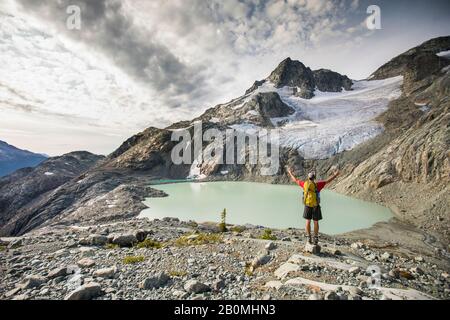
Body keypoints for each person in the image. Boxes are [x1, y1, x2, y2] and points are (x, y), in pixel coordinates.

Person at [287, 167, 340, 245]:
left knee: (308, 221)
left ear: (308, 178)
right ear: (314, 178)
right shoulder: (318, 185)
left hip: (307, 205)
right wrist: (336, 175)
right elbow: (328, 181)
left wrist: (290, 172)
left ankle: (308, 237)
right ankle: (315, 238)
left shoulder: (304, 184)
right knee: (316, 222)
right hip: (315, 205)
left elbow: (295, 180)